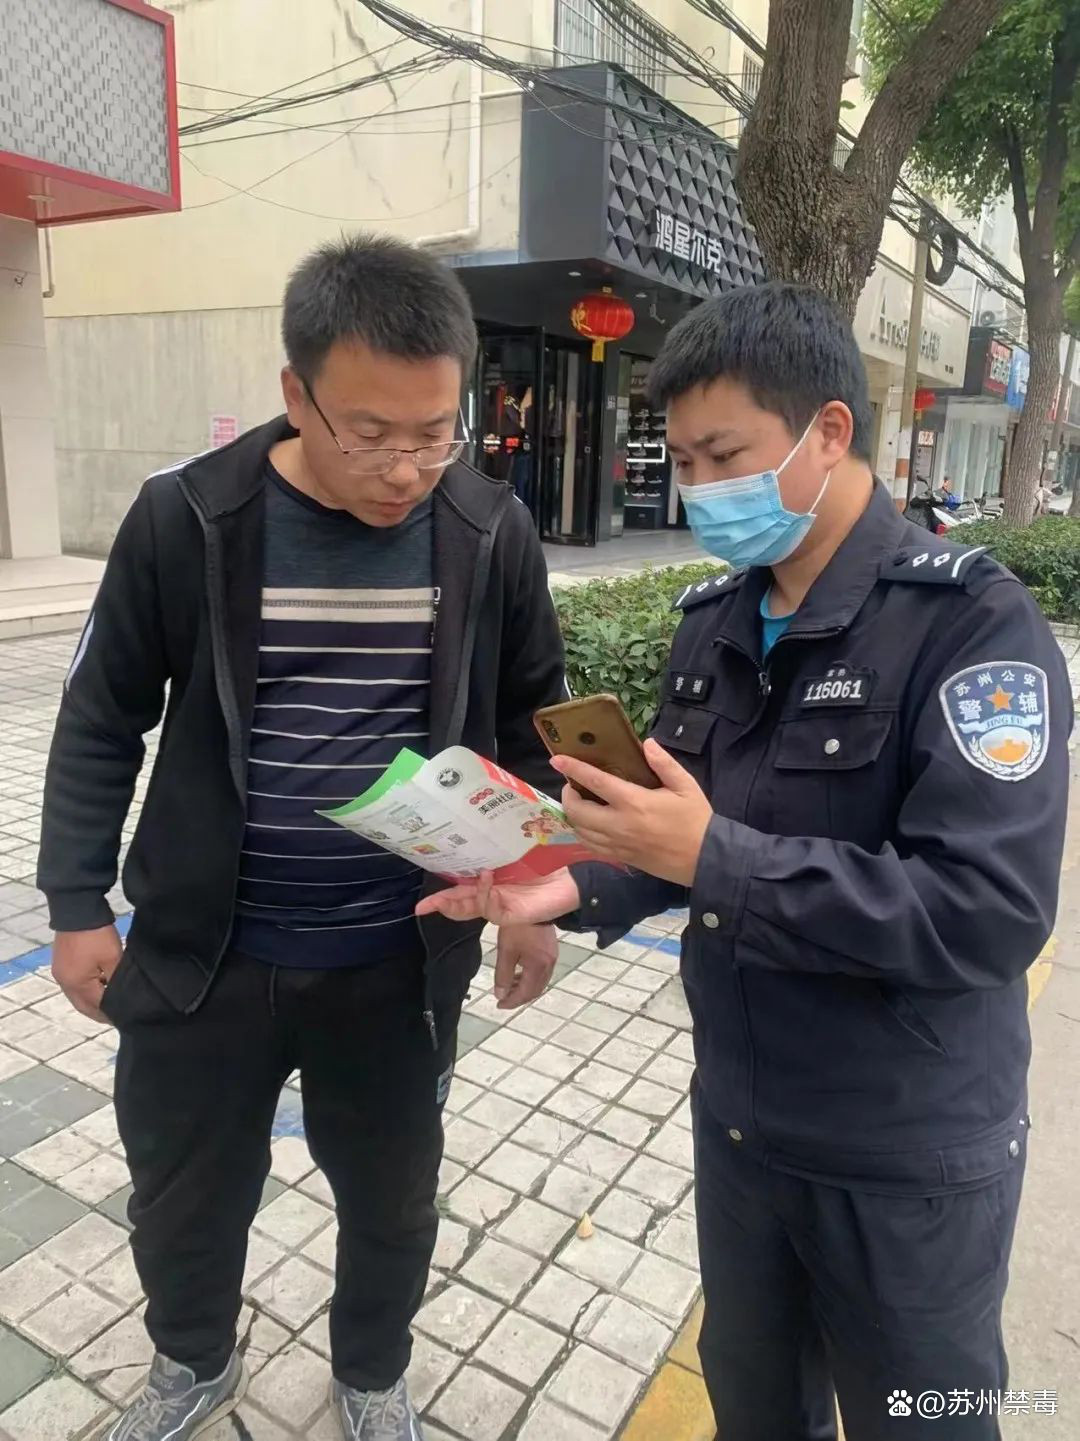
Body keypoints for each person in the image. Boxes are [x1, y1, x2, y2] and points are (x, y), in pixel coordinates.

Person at [420, 282, 1073, 1440]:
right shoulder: (715, 620)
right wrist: (561, 883)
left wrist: (716, 857)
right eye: (683, 462)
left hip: (905, 1152)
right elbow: (668, 831)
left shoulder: (971, 625)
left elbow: (988, 911)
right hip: (742, 1127)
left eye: (724, 456)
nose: (701, 490)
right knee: (756, 1406)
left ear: (828, 431)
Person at [38, 235, 565, 1441]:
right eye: (370, 433)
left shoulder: (488, 531)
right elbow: (102, 716)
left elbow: (535, 729)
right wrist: (75, 904)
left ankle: (373, 1373)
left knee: (393, 1197)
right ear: (296, 392)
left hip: (396, 956)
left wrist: (537, 889)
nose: (406, 468)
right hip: (202, 957)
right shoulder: (191, 518)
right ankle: (192, 1362)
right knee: (183, 1190)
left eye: (435, 434)